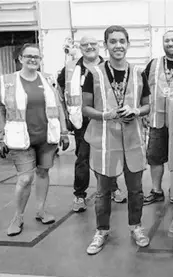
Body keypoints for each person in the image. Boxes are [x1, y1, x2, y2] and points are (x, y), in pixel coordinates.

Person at [82, 25, 151, 255]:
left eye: (122, 41)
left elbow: (147, 106)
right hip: (105, 141)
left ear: (128, 44)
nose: (118, 45)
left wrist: (137, 111)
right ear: (106, 45)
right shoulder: (94, 74)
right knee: (102, 192)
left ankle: (136, 226)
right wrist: (106, 115)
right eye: (113, 41)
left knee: (136, 190)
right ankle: (101, 231)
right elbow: (86, 108)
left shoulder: (139, 73)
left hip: (132, 140)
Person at [0, 43, 69, 236]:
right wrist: (1, 136)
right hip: (20, 138)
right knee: (25, 178)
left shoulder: (48, 79)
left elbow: (58, 106)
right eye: (28, 56)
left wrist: (64, 132)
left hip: (47, 137)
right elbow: (1, 109)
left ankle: (41, 209)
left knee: (43, 173)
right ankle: (18, 216)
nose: (33, 59)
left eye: (36, 57)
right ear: (20, 58)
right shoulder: (6, 82)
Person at [57, 36, 126, 213]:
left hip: (106, 119)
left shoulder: (109, 66)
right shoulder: (71, 68)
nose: (89, 47)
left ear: (99, 46)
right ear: (79, 48)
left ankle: (113, 188)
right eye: (85, 45)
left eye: (92, 44)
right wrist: (65, 117)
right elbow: (60, 91)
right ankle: (79, 195)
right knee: (83, 158)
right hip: (82, 120)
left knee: (109, 155)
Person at [142, 30, 173, 205]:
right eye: (167, 40)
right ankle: (156, 190)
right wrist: (143, 112)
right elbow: (143, 89)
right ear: (163, 43)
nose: (170, 43)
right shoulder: (154, 64)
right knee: (155, 156)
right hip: (157, 119)